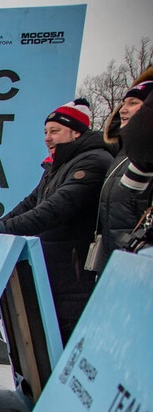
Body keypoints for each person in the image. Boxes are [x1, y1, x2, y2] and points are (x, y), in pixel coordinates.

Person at [0, 98, 112, 343]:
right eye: (46, 132)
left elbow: (55, 209)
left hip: (75, 271)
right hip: (53, 266)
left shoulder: (93, 162)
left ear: (76, 132)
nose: (47, 138)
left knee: (65, 338)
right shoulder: (58, 166)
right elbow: (30, 202)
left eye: (55, 131)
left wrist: (6, 228)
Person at [96, 72, 152, 271]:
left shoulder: (145, 155)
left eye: (133, 103)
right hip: (117, 259)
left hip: (141, 264)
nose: (123, 110)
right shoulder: (120, 155)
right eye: (124, 103)